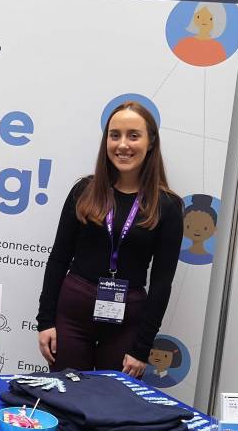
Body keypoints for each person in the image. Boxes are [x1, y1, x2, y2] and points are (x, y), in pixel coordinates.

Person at [36, 101, 183, 377]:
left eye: (133, 135)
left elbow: (162, 282)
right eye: (115, 135)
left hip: (127, 322)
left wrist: (141, 349)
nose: (123, 144)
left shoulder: (168, 206)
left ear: (151, 142)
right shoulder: (84, 191)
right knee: (66, 398)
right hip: (72, 316)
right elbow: (58, 259)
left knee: (112, 406)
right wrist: (45, 321)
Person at [172, 3, 228, 67]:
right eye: (199, 16)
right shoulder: (184, 43)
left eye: (210, 18)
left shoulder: (218, 49)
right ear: (194, 18)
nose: (203, 20)